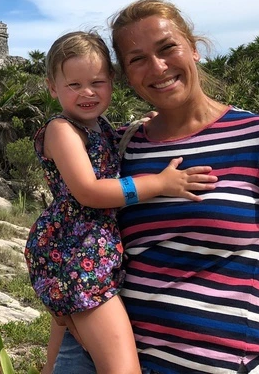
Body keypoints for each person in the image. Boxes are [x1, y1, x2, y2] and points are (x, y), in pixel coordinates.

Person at [52, 0, 259, 374]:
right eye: (137, 59)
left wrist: (238, 339)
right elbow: (78, 240)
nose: (157, 67)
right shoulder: (120, 147)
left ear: (194, 48)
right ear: (125, 75)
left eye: (167, 48)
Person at [24, 30, 216, 374]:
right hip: (76, 253)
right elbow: (89, 191)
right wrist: (159, 184)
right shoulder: (61, 130)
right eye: (74, 85)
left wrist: (146, 125)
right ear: (53, 87)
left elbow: (114, 146)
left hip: (91, 251)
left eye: (97, 82)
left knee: (67, 348)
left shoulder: (100, 127)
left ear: (112, 82)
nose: (87, 92)